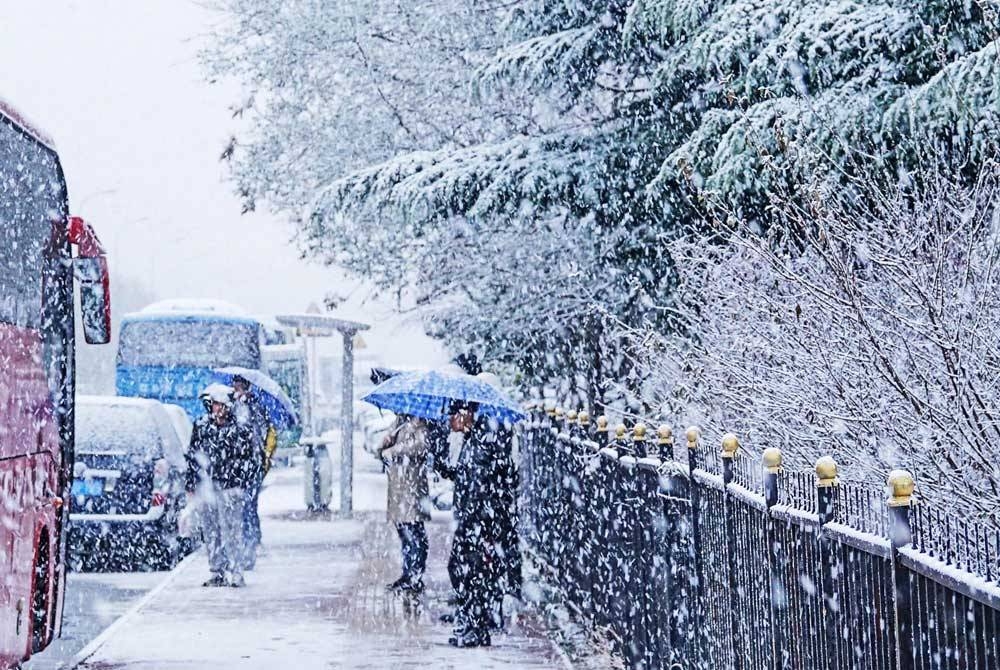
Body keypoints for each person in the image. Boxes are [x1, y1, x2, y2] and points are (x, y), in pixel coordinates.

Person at [446, 401, 508, 648]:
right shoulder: (473, 440)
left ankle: (476, 627)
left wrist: (476, 523)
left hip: (476, 523)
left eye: (453, 415)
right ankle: (471, 625)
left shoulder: (481, 443)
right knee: (464, 572)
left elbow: (481, 487)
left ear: (466, 414)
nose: (450, 422)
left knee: (471, 574)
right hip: (470, 521)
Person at [186, 384, 260, 587]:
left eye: (221, 405)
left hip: (230, 488)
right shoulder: (201, 427)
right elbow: (193, 456)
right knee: (211, 530)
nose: (217, 409)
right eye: (214, 405)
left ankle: (236, 571)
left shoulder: (240, 429)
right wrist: (191, 483)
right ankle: (217, 570)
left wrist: (240, 480)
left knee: (232, 530)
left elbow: (250, 459)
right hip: (207, 487)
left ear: (229, 406)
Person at [379, 414, 431, 594]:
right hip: (398, 488)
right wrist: (386, 440)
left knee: (414, 532)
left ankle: (415, 575)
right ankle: (407, 573)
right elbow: (381, 448)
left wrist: (394, 450)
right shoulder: (399, 422)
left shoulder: (420, 423)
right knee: (403, 531)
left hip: (412, 488)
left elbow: (420, 446)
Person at [232, 375, 269, 569]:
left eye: (239, 388)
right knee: (241, 506)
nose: (237, 392)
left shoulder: (255, 406)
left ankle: (252, 541)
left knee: (249, 504)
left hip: (252, 463)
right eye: (234, 388)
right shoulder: (232, 407)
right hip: (237, 465)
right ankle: (246, 542)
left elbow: (260, 431)